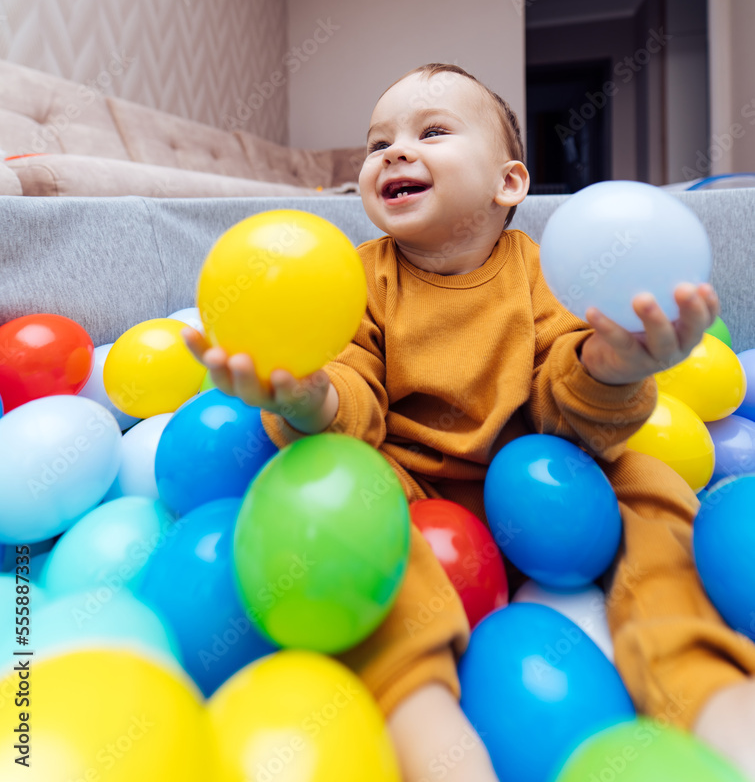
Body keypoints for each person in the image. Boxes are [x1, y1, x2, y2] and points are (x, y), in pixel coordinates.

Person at [185, 63, 755, 781]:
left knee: (649, 485)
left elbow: (566, 405)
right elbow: (351, 391)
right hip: (412, 486)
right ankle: (420, 716)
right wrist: (308, 398)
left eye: (430, 132)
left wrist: (614, 366)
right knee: (344, 509)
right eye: (376, 143)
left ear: (507, 183)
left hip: (546, 480)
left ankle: (706, 690)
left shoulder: (547, 272)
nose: (392, 152)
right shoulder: (355, 276)